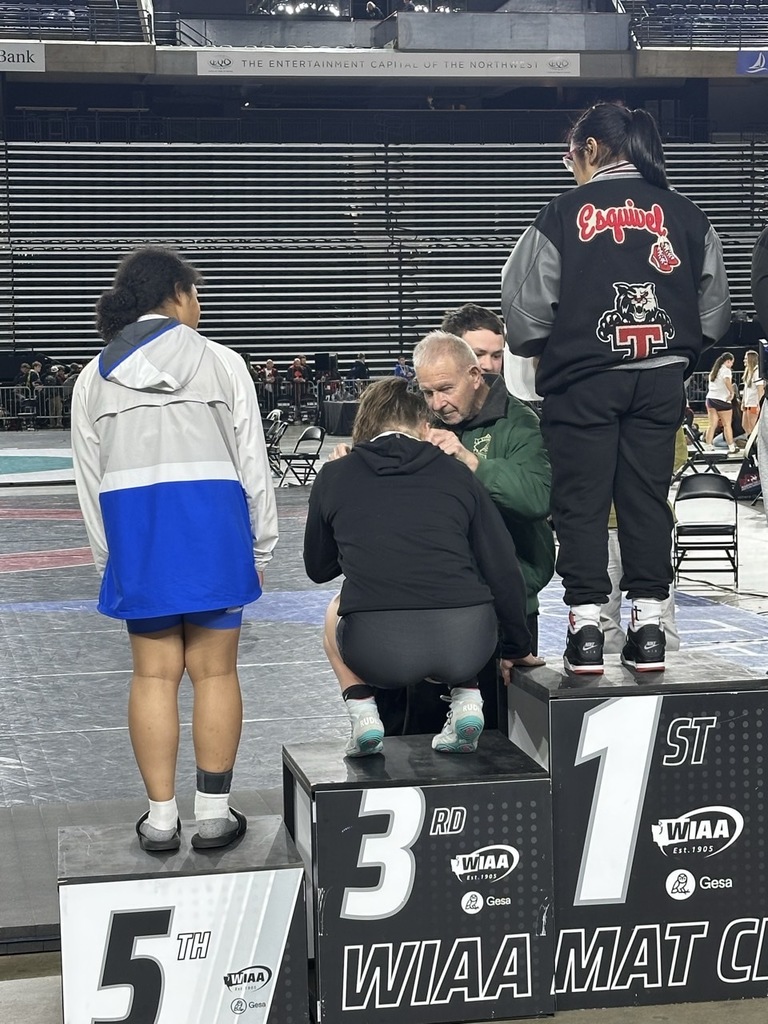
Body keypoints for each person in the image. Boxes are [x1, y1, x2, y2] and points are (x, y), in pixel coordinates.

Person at [501, 101, 730, 674]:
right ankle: (648, 626)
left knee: (580, 505)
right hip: (658, 382)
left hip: (584, 382)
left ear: (592, 151)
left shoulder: (559, 214)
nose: (569, 166)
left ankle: (584, 633)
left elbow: (523, 313)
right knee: (646, 502)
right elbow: (717, 313)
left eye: (570, 156)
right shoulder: (687, 214)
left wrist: (559, 344)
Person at [71, 246, 278, 853]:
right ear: (180, 294)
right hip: (215, 531)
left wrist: (111, 562)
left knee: (152, 675)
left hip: (138, 535)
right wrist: (260, 548)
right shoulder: (221, 362)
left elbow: (88, 481)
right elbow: (253, 467)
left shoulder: (92, 378)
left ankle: (160, 820)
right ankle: (214, 815)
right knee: (216, 671)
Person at [303, 377, 533, 756]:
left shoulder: (336, 475)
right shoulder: (458, 474)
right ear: (426, 427)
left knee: (335, 607)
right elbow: (502, 567)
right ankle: (467, 701)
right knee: (460, 585)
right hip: (468, 643)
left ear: (364, 425)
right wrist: (516, 647)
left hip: (378, 649)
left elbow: (319, 568)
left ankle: (363, 713)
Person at [441, 301, 539, 402]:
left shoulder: (520, 411)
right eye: (477, 355)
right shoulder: (429, 404)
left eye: (496, 356)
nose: (489, 366)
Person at [704, 352, 736, 452]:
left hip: (710, 399)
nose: (732, 365)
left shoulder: (714, 371)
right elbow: (727, 381)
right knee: (727, 425)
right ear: (728, 361)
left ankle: (708, 445)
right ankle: (731, 447)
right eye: (732, 363)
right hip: (722, 400)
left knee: (712, 424)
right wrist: (732, 392)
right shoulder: (726, 370)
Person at [741, 349, 764, 435]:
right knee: (745, 425)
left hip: (754, 403)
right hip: (748, 402)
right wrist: (743, 401)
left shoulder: (757, 372)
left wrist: (759, 404)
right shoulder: (749, 371)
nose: (744, 360)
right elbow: (746, 389)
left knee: (753, 426)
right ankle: (750, 443)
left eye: (746, 358)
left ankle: (755, 445)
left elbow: (760, 389)